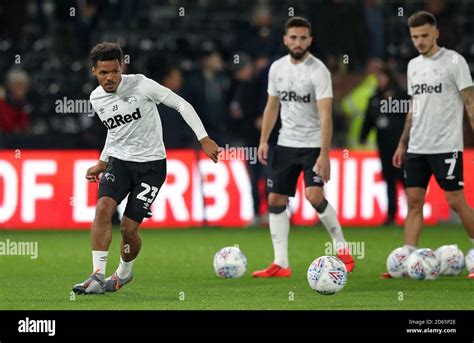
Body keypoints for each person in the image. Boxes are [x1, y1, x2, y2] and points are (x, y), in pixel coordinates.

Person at [73, 42, 219, 294]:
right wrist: (103, 161)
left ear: (122, 67)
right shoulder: (96, 98)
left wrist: (203, 138)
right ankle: (97, 276)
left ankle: (123, 273)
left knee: (129, 229)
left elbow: (181, 104)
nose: (110, 78)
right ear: (94, 72)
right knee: (103, 209)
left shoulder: (141, 84)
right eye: (104, 73)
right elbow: (114, 131)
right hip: (119, 162)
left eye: (115, 71)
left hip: (151, 166)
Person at [253, 17, 354, 278]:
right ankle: (281, 263)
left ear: (310, 40)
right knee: (275, 199)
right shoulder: (277, 69)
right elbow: (272, 105)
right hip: (286, 144)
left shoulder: (318, 71)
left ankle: (342, 248)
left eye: (303, 38)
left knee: (314, 197)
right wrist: (264, 140)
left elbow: (326, 115)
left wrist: (324, 154)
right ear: (286, 40)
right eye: (293, 38)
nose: (298, 42)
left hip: (312, 146)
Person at [388, 11, 474, 279]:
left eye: (424, 35)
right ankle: (407, 258)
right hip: (417, 146)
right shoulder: (413, 66)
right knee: (413, 202)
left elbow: (470, 101)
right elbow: (413, 109)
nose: (420, 41)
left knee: (455, 201)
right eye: (415, 37)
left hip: (445, 145)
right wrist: (403, 144)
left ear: (436, 33)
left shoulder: (454, 61)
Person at [360, 66, 407, 225]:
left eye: (382, 77)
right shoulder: (374, 99)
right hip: (384, 146)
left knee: (406, 180)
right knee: (389, 180)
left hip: (401, 146)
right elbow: (368, 121)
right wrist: (363, 136)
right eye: (377, 78)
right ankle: (392, 215)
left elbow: (409, 119)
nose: (379, 81)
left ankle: (415, 213)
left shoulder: (401, 97)